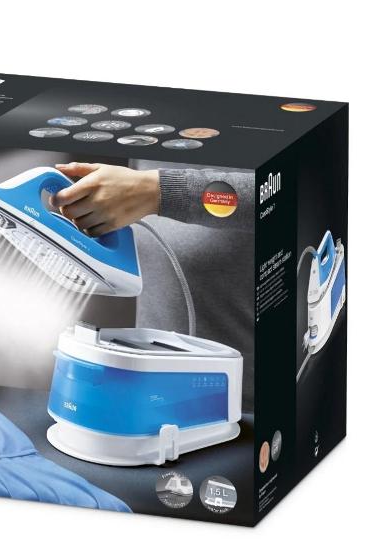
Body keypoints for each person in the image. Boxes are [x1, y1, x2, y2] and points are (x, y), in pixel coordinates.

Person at [50, 161, 255, 411]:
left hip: (246, 403)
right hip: (153, 392)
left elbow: (284, 193)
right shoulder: (150, 145)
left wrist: (160, 190)